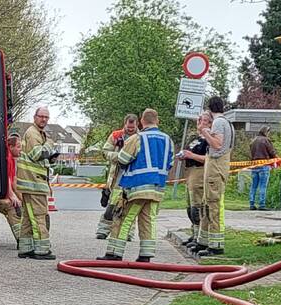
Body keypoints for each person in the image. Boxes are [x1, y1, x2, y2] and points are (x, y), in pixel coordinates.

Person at [97, 108, 173, 262]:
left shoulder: (137, 138)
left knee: (123, 218)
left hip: (136, 188)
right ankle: (145, 255)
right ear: (157, 121)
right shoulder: (168, 140)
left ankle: (114, 254)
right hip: (157, 188)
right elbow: (170, 163)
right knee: (148, 220)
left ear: (141, 121)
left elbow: (123, 159)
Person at [191, 96, 234, 256]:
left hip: (215, 167)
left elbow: (217, 144)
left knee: (212, 206)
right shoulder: (227, 122)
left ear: (210, 108)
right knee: (206, 205)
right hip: (215, 166)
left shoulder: (219, 123)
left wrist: (205, 133)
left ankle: (215, 246)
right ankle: (203, 241)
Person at [16, 106, 58, 259]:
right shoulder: (33, 133)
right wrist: (49, 145)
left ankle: (25, 248)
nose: (44, 119)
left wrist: (50, 157)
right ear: (34, 117)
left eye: (46, 117)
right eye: (41, 116)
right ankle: (42, 250)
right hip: (34, 184)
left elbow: (40, 157)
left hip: (31, 183)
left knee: (28, 217)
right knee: (39, 216)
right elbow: (36, 154)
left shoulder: (38, 133)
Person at [95, 114, 139, 239]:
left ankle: (128, 233)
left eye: (133, 127)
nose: (130, 129)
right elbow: (105, 152)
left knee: (129, 207)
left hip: (133, 177)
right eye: (128, 127)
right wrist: (118, 157)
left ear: (137, 125)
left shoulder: (141, 137)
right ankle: (103, 230)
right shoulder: (115, 136)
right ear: (124, 124)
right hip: (116, 176)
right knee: (112, 205)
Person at [178, 112, 212, 247]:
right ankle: (194, 233)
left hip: (200, 171)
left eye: (202, 120)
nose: (198, 122)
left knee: (197, 206)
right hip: (190, 172)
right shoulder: (195, 138)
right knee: (190, 206)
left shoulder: (209, 139)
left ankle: (200, 236)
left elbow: (209, 158)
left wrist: (191, 155)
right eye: (198, 119)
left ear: (209, 123)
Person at [0, 134, 24, 246]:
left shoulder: (11, 159)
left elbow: (13, 181)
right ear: (10, 147)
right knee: (11, 206)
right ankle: (22, 241)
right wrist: (11, 195)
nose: (20, 149)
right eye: (18, 146)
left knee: (19, 205)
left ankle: (25, 238)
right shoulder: (5, 157)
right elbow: (5, 177)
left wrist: (23, 199)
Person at [248, 126, 277, 210]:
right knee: (263, 186)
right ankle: (262, 204)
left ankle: (251, 204)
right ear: (266, 132)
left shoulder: (253, 140)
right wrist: (276, 159)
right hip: (264, 165)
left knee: (253, 185)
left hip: (254, 165)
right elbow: (272, 152)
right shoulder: (266, 140)